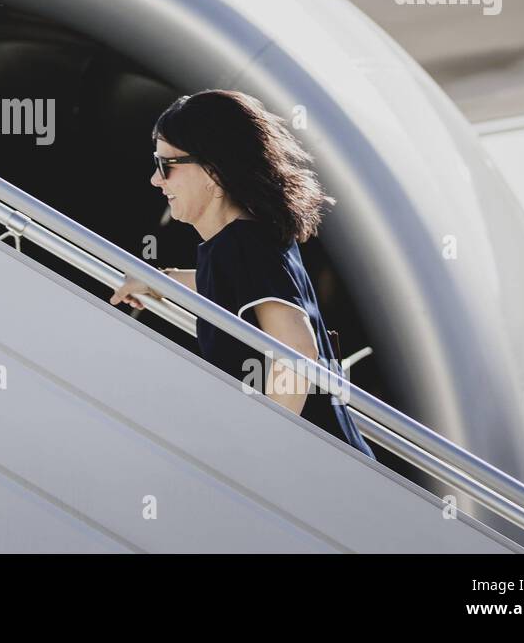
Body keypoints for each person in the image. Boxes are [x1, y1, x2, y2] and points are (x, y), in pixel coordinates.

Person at [109, 89, 375, 459]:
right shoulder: (246, 242)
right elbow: (227, 287)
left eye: (166, 165)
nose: (156, 180)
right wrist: (162, 280)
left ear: (213, 172)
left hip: (315, 472)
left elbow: (296, 351)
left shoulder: (242, 247)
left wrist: (261, 452)